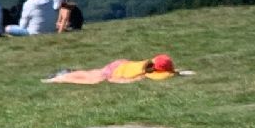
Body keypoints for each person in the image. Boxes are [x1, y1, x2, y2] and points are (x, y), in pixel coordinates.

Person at [43, 54, 179, 84]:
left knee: (94, 72)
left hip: (122, 64)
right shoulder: (143, 74)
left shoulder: (147, 65)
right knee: (93, 79)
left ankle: (65, 74)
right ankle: (60, 77)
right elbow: (117, 80)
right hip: (115, 71)